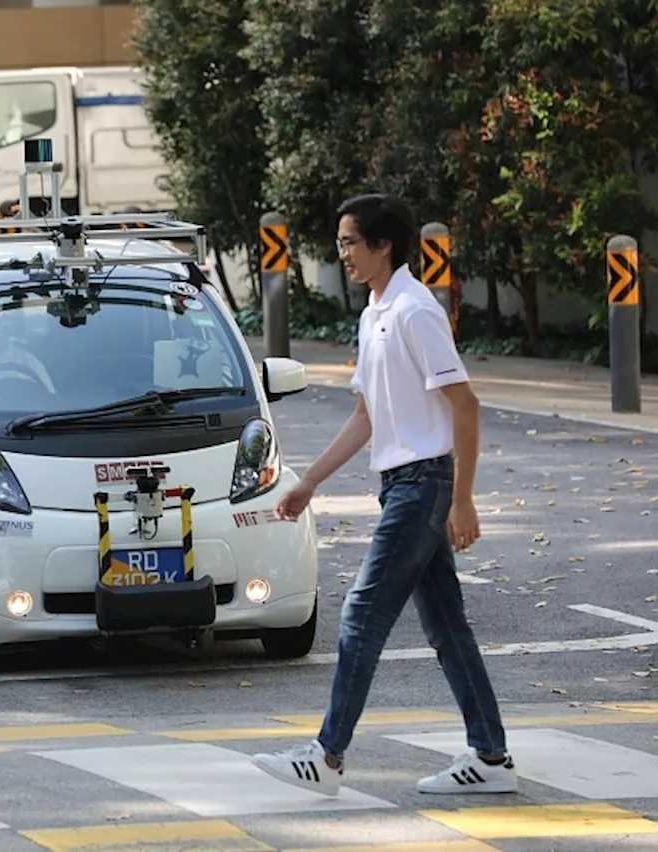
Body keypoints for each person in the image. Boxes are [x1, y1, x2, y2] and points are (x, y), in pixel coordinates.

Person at [252, 194, 517, 797]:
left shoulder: (413, 311)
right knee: (448, 627)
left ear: (383, 246)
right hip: (402, 484)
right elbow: (368, 416)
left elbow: (466, 405)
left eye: (350, 242)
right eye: (341, 242)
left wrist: (464, 498)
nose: (341, 252)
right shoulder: (375, 313)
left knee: (362, 615)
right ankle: (492, 759)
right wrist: (308, 481)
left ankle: (327, 757)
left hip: (424, 484)